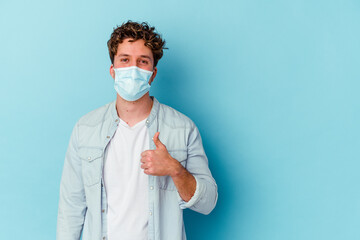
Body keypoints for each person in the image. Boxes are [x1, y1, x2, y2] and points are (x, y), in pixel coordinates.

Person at [56, 20, 218, 240]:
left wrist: (175, 169)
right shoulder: (85, 128)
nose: (133, 69)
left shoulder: (183, 128)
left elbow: (208, 203)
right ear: (113, 71)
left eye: (143, 61)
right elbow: (71, 208)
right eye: (125, 60)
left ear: (152, 73)